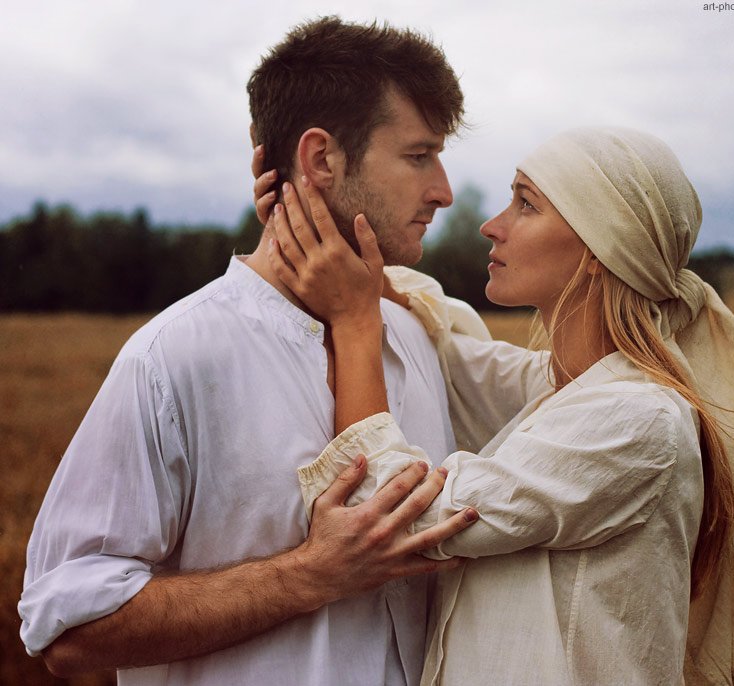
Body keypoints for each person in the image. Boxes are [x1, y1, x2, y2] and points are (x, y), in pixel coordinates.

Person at [18, 17, 479, 685]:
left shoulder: (410, 337)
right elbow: (66, 628)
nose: (444, 190)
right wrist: (308, 574)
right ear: (321, 160)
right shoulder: (173, 358)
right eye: (418, 155)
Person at [258, 127, 734, 684]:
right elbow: (452, 360)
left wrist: (354, 321)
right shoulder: (568, 386)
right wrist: (316, 223)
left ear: (600, 249)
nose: (492, 225)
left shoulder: (636, 419)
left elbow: (393, 516)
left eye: (526, 204)